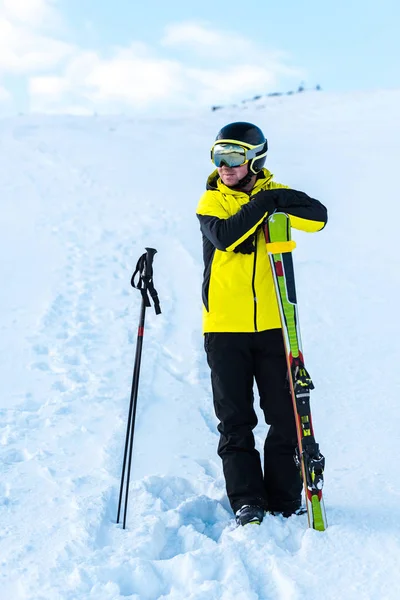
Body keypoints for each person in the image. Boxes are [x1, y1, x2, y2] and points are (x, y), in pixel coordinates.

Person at [196, 121, 327, 526]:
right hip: (224, 329)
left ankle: (285, 498)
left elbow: (318, 216)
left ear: (255, 159)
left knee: (286, 416)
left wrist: (275, 198)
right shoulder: (211, 202)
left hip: (273, 328)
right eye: (219, 157)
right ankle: (247, 500)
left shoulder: (272, 193)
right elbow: (227, 238)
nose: (225, 166)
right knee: (236, 421)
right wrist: (266, 203)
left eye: (233, 157)